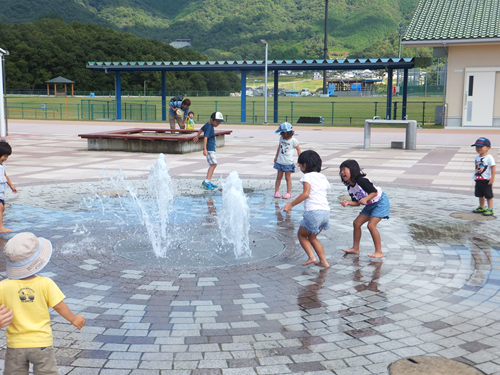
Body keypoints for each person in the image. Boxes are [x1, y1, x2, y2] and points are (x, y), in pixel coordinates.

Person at [0, 232, 85, 375]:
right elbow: (59, 305)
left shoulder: (3, 286)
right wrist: (74, 319)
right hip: (42, 344)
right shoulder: (45, 283)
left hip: (15, 344)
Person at [282, 150, 330, 268]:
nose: (299, 165)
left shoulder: (307, 176)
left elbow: (306, 193)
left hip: (313, 212)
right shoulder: (322, 177)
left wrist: (291, 205)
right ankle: (323, 261)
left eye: (300, 163)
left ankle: (312, 257)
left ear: (306, 164)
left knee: (302, 235)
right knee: (312, 237)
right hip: (325, 212)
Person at [339, 159, 390, 258]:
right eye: (341, 170)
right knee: (356, 223)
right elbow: (357, 203)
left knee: (371, 225)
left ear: (353, 170)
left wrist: (365, 199)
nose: (342, 172)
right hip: (370, 204)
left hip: (380, 202)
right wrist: (348, 203)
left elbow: (374, 192)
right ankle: (355, 248)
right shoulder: (350, 188)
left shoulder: (361, 181)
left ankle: (379, 251)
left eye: (344, 169)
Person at [193, 112, 224, 190]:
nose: (218, 124)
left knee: (213, 164)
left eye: (219, 122)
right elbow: (205, 137)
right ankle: (207, 182)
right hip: (209, 149)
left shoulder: (207, 124)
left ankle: (208, 181)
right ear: (211, 120)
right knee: (214, 164)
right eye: (217, 122)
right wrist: (205, 149)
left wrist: (197, 136)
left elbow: (201, 129)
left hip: (210, 149)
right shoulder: (210, 127)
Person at [273, 122, 301, 199]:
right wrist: (276, 157)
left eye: (281, 133)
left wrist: (299, 159)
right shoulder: (281, 138)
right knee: (279, 177)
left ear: (285, 132)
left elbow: (298, 149)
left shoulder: (294, 141)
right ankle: (277, 191)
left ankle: (288, 192)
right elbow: (279, 147)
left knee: (288, 178)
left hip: (288, 162)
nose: (280, 135)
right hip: (280, 161)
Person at [471, 137, 495, 216]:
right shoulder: (477, 157)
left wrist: (492, 177)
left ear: (488, 148)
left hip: (486, 180)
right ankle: (482, 207)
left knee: (488, 195)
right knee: (480, 194)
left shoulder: (489, 158)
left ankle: (490, 208)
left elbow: (493, 167)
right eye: (477, 147)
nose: (478, 149)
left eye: (481, 147)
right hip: (478, 179)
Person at [0, 141, 17, 233]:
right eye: (4, 156)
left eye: (7, 156)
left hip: (1, 192)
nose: (5, 158)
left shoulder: (2, 165)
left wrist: (11, 185)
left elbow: (5, 175)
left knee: (2, 208)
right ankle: (1, 227)